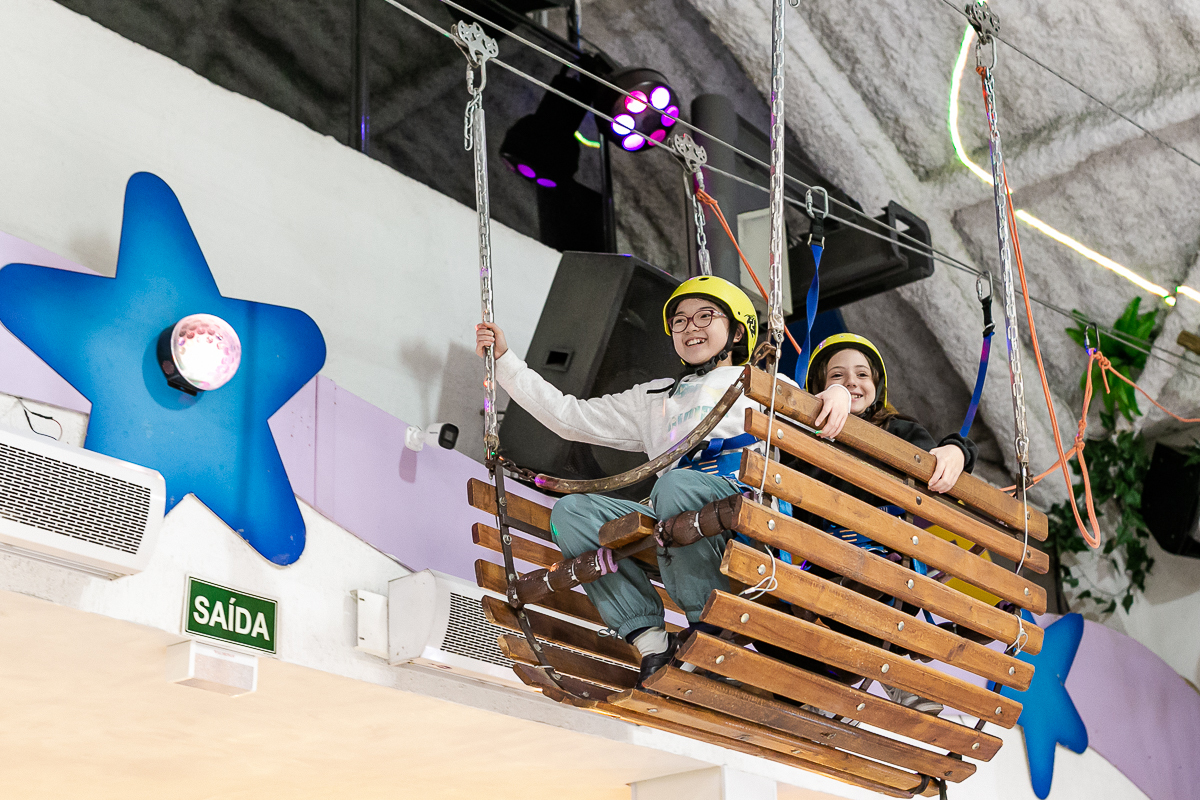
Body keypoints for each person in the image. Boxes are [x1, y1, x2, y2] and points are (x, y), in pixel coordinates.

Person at [475, 276, 852, 687]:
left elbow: (821, 423)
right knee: (573, 512)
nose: (691, 328)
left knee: (674, 487)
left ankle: (708, 625)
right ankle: (651, 639)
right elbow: (570, 417)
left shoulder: (765, 384)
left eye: (705, 316)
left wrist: (837, 394)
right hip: (675, 512)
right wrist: (506, 362)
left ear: (738, 331)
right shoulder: (654, 398)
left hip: (745, 513)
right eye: (680, 320)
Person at [773, 333, 979, 714]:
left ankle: (885, 671)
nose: (852, 382)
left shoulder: (898, 431)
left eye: (862, 374)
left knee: (863, 592)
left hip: (885, 566)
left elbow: (934, 456)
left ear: (877, 385)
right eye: (838, 376)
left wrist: (957, 451)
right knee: (786, 606)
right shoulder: (805, 436)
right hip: (823, 563)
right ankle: (847, 680)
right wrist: (823, 417)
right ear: (819, 387)